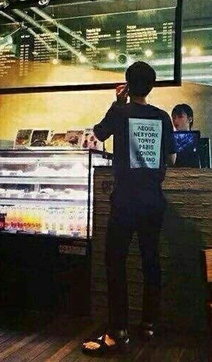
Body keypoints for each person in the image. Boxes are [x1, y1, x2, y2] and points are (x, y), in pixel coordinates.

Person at [82, 62, 176, 355]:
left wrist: (118, 102)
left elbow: (99, 134)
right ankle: (149, 324)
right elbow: (171, 159)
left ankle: (117, 331)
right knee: (151, 261)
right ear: (152, 86)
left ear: (127, 85)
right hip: (153, 201)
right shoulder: (162, 117)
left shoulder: (120, 112)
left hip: (125, 201)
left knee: (115, 262)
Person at [171, 104, 200, 168]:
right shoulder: (169, 139)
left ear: (190, 119)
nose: (175, 121)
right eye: (174, 117)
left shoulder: (197, 141)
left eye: (180, 117)